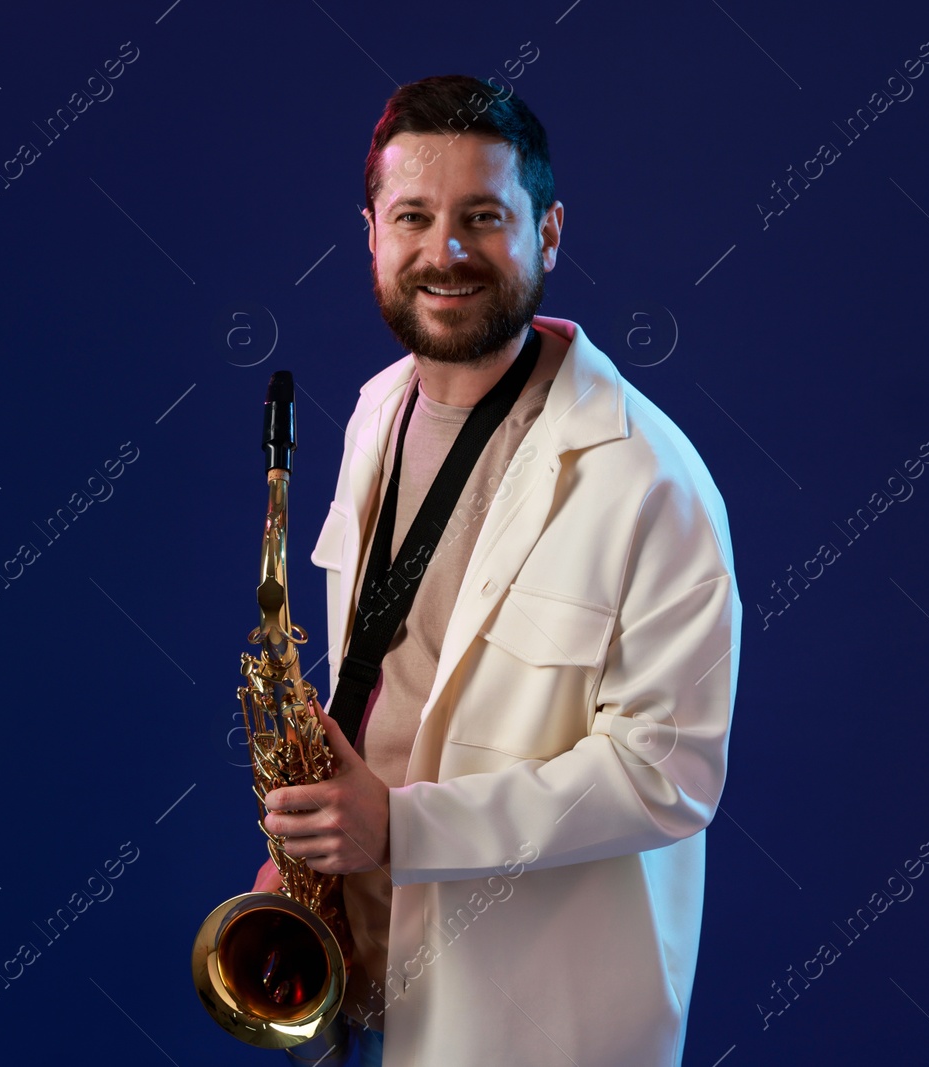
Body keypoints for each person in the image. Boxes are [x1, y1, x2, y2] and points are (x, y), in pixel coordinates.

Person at [252, 74, 741, 1067]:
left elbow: (667, 774)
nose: (447, 252)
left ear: (549, 231)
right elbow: (386, 676)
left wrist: (399, 825)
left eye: (483, 216)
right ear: (371, 233)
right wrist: (313, 851)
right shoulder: (372, 413)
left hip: (534, 1022)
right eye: (414, 217)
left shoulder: (649, 478)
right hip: (367, 969)